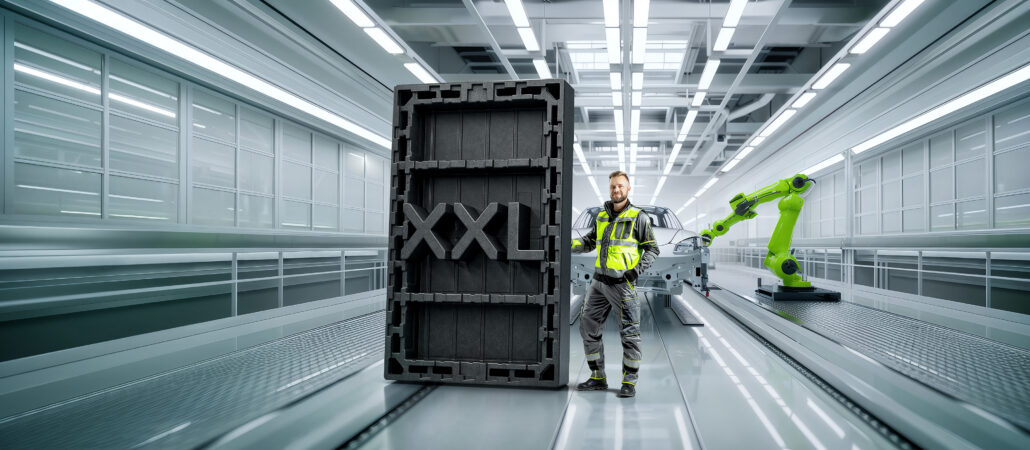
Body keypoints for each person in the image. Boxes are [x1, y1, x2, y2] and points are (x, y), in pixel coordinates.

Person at [571, 170, 659, 398]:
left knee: (629, 334)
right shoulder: (601, 215)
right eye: (613, 187)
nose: (616, 190)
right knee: (587, 327)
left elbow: (652, 249)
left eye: (620, 186)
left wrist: (635, 272)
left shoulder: (639, 217)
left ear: (628, 189)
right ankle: (597, 377)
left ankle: (629, 382)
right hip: (598, 283)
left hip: (622, 284)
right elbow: (589, 241)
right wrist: (567, 243)